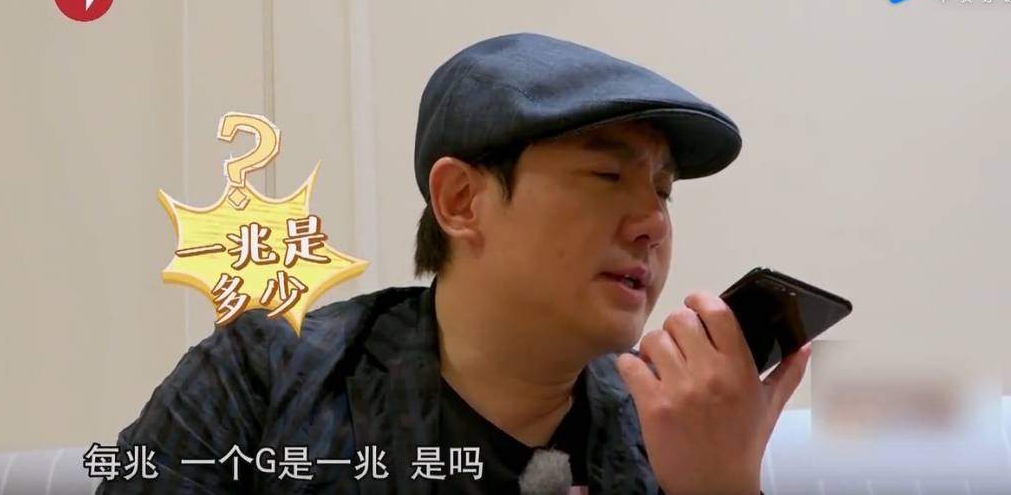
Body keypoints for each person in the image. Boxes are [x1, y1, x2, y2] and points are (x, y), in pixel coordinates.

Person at [99, 32, 810, 494]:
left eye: (663, 191)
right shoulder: (267, 376)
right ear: (462, 201)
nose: (653, 223)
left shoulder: (669, 434)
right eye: (606, 176)